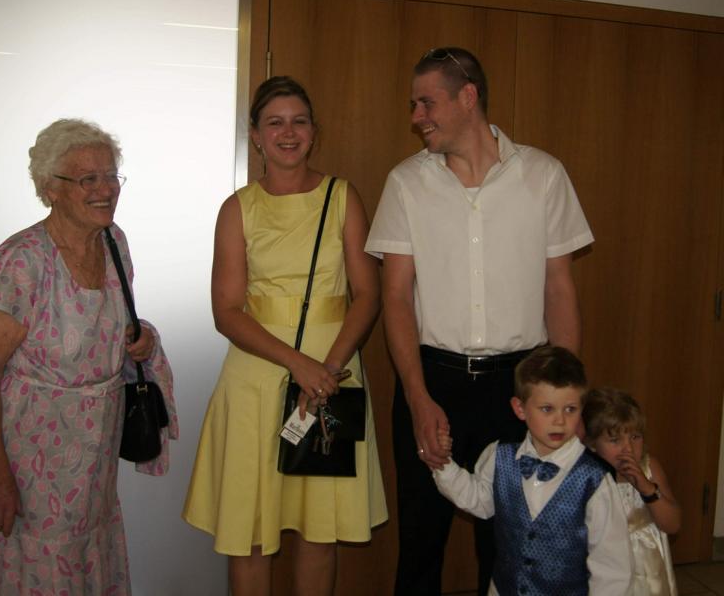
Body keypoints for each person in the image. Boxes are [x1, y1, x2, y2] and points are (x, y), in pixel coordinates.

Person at [364, 46, 595, 595]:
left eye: (427, 103)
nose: (417, 116)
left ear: (468, 97)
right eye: (414, 105)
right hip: (432, 381)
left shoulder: (542, 175)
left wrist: (566, 400)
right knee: (421, 541)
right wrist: (417, 398)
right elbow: (395, 297)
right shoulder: (406, 183)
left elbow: (559, 289)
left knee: (513, 547)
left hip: (519, 387)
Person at [182, 76, 387, 596]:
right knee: (250, 533)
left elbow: (367, 294)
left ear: (314, 131)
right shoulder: (238, 208)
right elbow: (227, 312)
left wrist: (327, 371)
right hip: (256, 376)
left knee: (320, 532)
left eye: (299, 121)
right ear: (255, 135)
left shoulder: (343, 198)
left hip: (333, 373)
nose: (288, 132)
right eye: (274, 122)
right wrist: (299, 365)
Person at [0, 118, 178, 595]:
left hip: (95, 452)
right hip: (34, 455)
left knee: (89, 555)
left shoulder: (113, 242)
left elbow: (112, 325)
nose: (105, 189)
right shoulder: (21, 261)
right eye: (88, 179)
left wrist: (141, 339)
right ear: (51, 188)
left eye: (110, 176)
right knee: (42, 563)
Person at [433, 346, 632, 595]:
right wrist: (443, 463)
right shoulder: (499, 456)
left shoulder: (594, 480)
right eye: (547, 409)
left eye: (570, 409)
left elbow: (612, 565)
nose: (560, 420)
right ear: (520, 409)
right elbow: (479, 501)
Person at [583, 387, 681, 595]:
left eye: (635, 437)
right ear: (591, 444)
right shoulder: (586, 477)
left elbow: (673, 525)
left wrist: (647, 488)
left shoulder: (650, 468)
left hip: (648, 574)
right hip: (606, 572)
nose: (628, 448)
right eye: (615, 440)